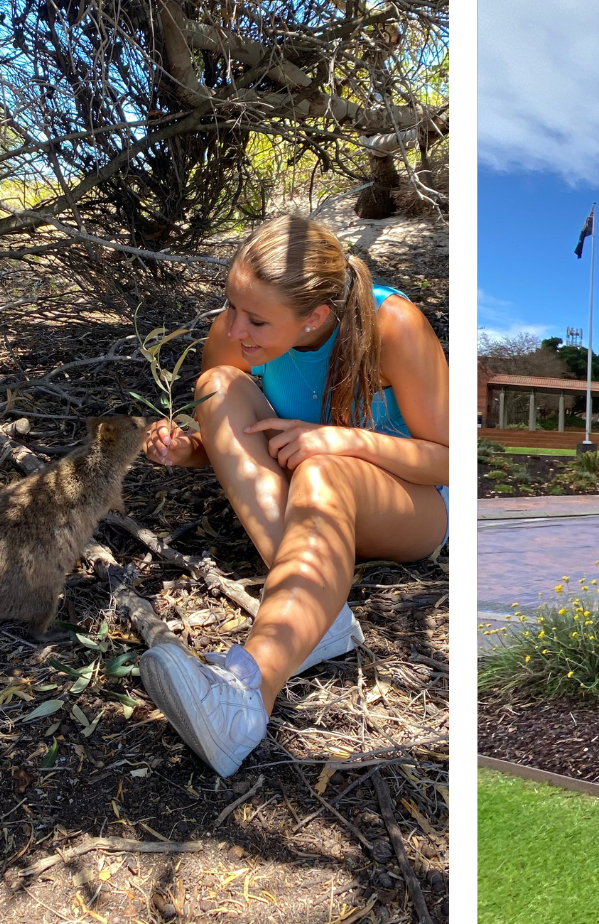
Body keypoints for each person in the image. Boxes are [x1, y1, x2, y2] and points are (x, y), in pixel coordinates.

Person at [139, 214, 448, 777]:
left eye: (256, 319)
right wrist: (192, 451)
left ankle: (249, 691)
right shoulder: (234, 331)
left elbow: (448, 458)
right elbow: (227, 441)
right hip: (313, 502)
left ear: (316, 317)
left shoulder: (394, 323)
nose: (235, 330)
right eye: (231, 306)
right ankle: (318, 615)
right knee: (217, 387)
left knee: (323, 469)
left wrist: (344, 440)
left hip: (414, 505)